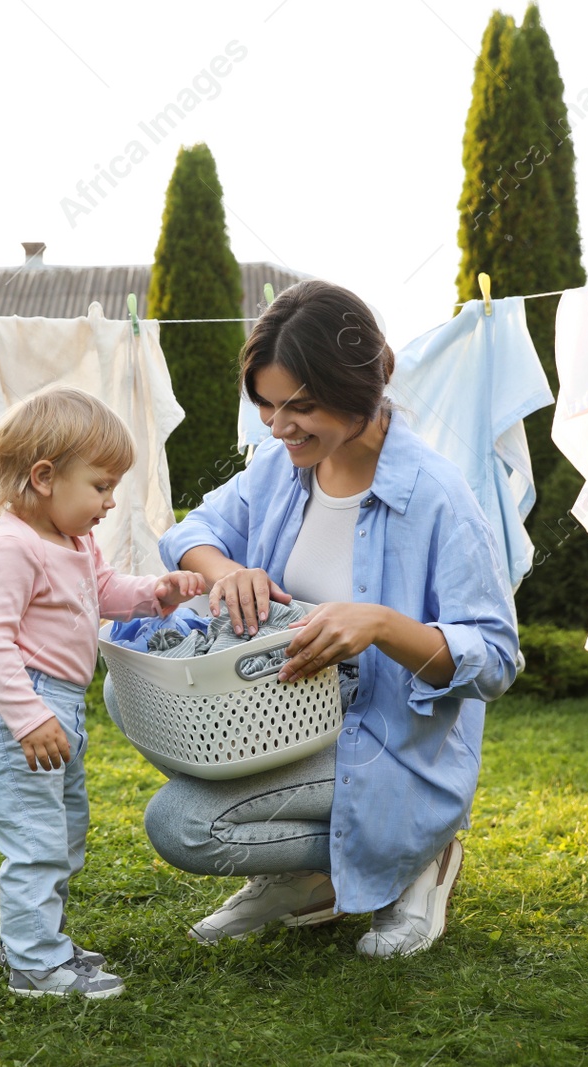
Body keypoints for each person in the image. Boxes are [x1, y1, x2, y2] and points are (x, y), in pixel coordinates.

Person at [105, 280, 520, 957]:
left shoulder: (437, 495)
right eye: (267, 405)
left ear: (358, 387)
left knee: (183, 823)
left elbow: (496, 657)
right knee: (128, 692)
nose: (277, 426)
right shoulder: (281, 468)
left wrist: (382, 623)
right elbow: (193, 532)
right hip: (289, 711)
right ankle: (306, 878)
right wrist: (226, 571)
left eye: (300, 406)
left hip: (383, 742)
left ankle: (421, 853)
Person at [0, 386, 207, 999]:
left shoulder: (72, 542)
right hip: (20, 710)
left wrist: (156, 594)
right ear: (44, 477)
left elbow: (103, 592)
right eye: (100, 486)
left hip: (54, 708)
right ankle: (35, 964)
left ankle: (45, 945)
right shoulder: (10, 548)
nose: (109, 502)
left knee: (63, 833)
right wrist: (26, 716)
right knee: (37, 839)